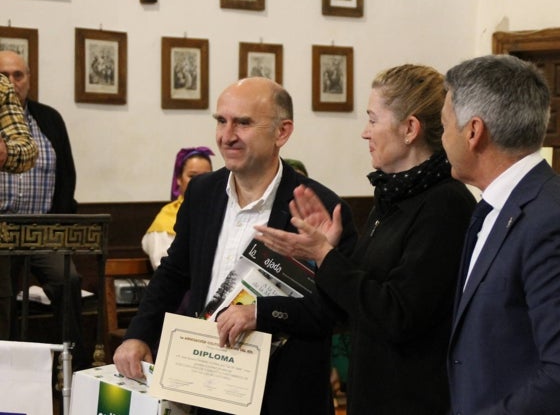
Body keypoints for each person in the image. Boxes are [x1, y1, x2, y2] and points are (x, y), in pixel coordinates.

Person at [113, 77, 358, 415]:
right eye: (221, 121)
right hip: (207, 387)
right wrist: (137, 333)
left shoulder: (320, 207)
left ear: (282, 132)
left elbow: (335, 310)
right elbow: (173, 273)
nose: (227, 136)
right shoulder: (201, 194)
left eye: (243, 123)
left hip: (285, 394)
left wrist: (262, 313)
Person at [254, 64, 476, 414]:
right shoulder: (393, 196)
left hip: (413, 401)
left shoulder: (445, 203)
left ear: (410, 129)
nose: (364, 132)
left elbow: (397, 315)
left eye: (373, 119)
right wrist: (321, 253)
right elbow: (354, 306)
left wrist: (328, 256)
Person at [440, 54, 560, 414]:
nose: (442, 139)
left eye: (444, 126)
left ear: (474, 131)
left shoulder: (553, 221)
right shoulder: (499, 206)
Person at [0, 51, 86, 369]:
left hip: (41, 228)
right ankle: (6, 371)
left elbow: (67, 175)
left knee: (69, 280)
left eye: (18, 75)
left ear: (29, 78)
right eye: (3, 75)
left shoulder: (48, 118)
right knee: (4, 295)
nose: (11, 82)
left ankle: (72, 364)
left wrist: (61, 225)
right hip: (1, 230)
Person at [141, 146, 214, 270]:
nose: (200, 182)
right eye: (192, 176)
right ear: (179, 179)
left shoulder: (219, 209)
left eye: (206, 176)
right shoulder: (168, 217)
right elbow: (164, 269)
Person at [0, 73, 37, 173]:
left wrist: (6, 152)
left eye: (18, 75)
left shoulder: (1, 85)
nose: (13, 82)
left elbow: (28, 149)